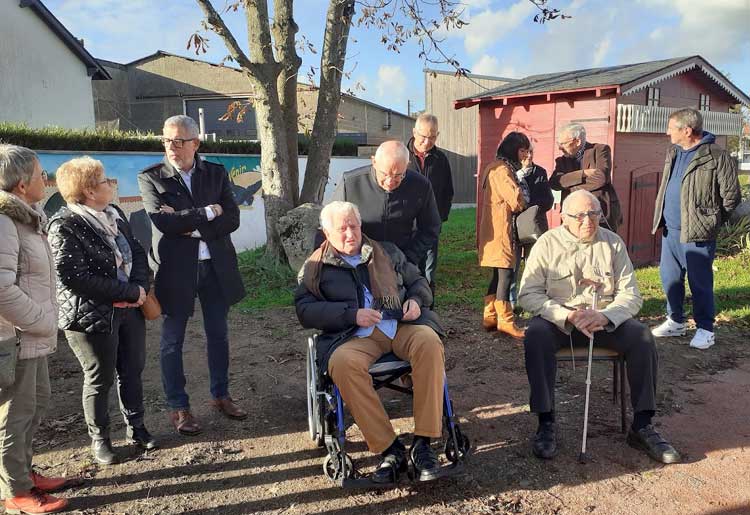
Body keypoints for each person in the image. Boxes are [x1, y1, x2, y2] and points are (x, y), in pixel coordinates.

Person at [518, 189, 680, 464]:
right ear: (563, 217)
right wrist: (566, 315)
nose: (588, 221)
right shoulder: (547, 244)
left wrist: (606, 316)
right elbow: (528, 294)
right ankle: (545, 422)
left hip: (604, 320)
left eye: (594, 214)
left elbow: (631, 295)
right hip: (562, 321)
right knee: (535, 335)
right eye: (580, 216)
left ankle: (642, 425)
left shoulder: (613, 243)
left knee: (641, 336)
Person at [295, 201, 445, 483]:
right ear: (326, 233)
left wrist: (415, 300)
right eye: (342, 229)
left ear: (361, 225)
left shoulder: (387, 251)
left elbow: (418, 282)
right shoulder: (316, 266)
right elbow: (304, 309)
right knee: (342, 363)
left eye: (354, 226)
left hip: (399, 325)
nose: (350, 234)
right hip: (353, 335)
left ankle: (423, 443)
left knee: (429, 341)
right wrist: (350, 314)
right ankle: (390, 449)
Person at [137, 115, 247, 436]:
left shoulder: (215, 173)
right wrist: (209, 212)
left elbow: (233, 218)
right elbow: (163, 222)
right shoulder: (152, 178)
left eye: (178, 141)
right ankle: (179, 406)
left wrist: (190, 226)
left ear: (195, 143)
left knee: (218, 334)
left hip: (216, 267)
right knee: (172, 341)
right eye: (166, 140)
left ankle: (221, 395)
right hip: (175, 269)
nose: (171, 147)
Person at [48, 156, 156, 465]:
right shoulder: (64, 225)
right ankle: (101, 440)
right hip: (91, 316)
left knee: (132, 370)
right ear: (89, 191)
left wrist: (139, 288)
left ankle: (137, 428)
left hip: (131, 310)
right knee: (99, 378)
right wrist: (128, 292)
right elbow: (74, 277)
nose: (110, 185)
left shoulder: (115, 214)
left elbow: (137, 251)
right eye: (105, 181)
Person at [0, 145, 69, 514]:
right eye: (41, 173)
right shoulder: (4, 222)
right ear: (22, 184)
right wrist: (42, 320)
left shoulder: (27, 217)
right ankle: (16, 492)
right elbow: (1, 289)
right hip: (16, 337)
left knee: (35, 404)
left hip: (31, 334)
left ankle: (24, 473)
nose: (47, 178)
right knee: (15, 415)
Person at [650, 108, 740, 350]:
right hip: (670, 229)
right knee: (670, 278)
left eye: (671, 127)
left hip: (698, 232)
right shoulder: (673, 152)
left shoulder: (717, 156)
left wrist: (710, 220)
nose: (667, 132)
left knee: (700, 282)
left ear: (687, 130)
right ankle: (675, 321)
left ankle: (705, 329)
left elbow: (731, 197)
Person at [332, 140, 441, 268]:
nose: (390, 182)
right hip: (358, 262)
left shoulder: (420, 186)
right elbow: (332, 224)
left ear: (407, 165)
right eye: (384, 174)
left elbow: (431, 227)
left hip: (401, 262)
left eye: (398, 175)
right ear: (374, 162)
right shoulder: (350, 183)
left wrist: (409, 257)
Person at [478, 132, 527, 339]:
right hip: (501, 230)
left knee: (498, 275)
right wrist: (523, 195)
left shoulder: (494, 166)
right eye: (523, 150)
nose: (525, 155)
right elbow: (516, 201)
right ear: (513, 150)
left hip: (494, 228)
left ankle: (490, 316)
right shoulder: (502, 170)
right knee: (505, 274)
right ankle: (506, 321)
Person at [406, 114, 454, 292]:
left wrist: (439, 219)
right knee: (408, 268)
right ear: (414, 132)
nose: (427, 141)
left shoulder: (441, 159)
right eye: (423, 136)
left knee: (428, 272)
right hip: (406, 226)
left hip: (431, 226)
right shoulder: (402, 156)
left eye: (432, 137)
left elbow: (448, 191)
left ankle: (428, 305)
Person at [550, 122, 622, 232]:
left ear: (577, 142)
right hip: (572, 216)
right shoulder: (562, 161)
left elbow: (601, 178)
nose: (560, 148)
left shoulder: (600, 150)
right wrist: (583, 173)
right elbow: (555, 183)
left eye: (563, 144)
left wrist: (570, 186)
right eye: (558, 143)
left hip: (599, 214)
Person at [509, 147, 554, 307]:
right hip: (513, 226)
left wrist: (531, 207)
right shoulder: (509, 172)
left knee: (535, 265)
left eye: (530, 152)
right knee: (512, 266)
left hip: (534, 226)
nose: (528, 156)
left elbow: (548, 200)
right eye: (524, 152)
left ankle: (533, 301)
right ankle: (512, 303)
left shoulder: (540, 172)